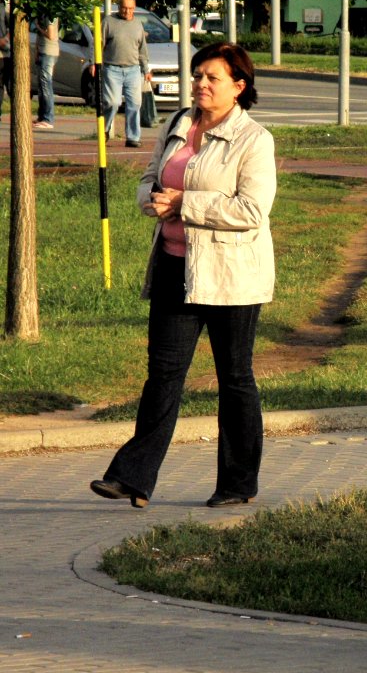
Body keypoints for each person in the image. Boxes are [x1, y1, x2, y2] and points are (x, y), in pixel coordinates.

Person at [90, 41, 277, 509]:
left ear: (239, 87)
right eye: (198, 76)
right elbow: (149, 178)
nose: (201, 84)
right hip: (177, 267)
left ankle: (237, 484)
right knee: (163, 375)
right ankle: (132, 478)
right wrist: (150, 199)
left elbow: (252, 210)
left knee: (234, 377)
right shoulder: (178, 123)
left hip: (231, 276)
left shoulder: (254, 139)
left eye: (212, 78)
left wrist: (183, 204)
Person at [92, 0, 152, 148]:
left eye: (131, 8)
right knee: (112, 102)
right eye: (124, 8)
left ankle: (133, 137)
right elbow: (98, 44)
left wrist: (146, 69)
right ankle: (104, 129)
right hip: (112, 69)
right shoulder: (109, 22)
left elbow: (142, 49)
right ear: (118, 7)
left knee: (135, 104)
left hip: (133, 70)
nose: (127, 11)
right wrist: (93, 62)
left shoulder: (138, 24)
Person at [33, 15, 60, 129]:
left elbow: (51, 35)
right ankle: (42, 116)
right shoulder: (44, 15)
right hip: (44, 51)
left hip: (48, 53)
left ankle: (48, 118)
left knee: (46, 85)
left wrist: (38, 27)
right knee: (41, 85)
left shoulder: (50, 16)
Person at [0, 0, 11, 119]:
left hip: (4, 53)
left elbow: (12, 26)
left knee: (2, 83)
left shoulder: (5, 8)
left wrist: (5, 39)